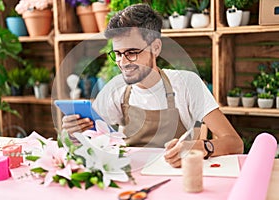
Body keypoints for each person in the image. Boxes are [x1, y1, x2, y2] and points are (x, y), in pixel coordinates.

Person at [62, 4, 244, 168]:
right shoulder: (115, 90)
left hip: (174, 177)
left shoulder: (187, 83)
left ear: (156, 48)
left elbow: (235, 143)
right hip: (130, 176)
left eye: (132, 52)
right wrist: (73, 132)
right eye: (117, 54)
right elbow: (90, 141)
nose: (123, 62)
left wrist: (201, 146)